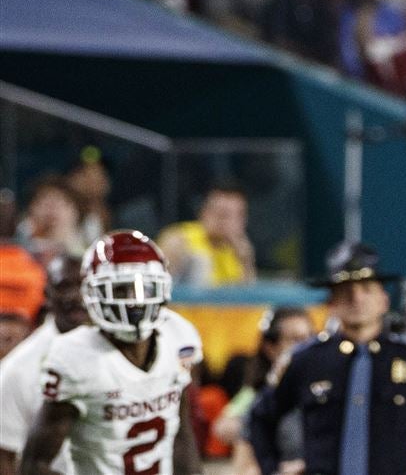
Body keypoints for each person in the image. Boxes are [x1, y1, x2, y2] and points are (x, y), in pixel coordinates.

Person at [248, 242, 406, 475]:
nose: (356, 298)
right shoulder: (306, 360)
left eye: (366, 288)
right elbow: (260, 417)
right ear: (331, 303)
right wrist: (272, 469)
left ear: (383, 300)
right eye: (346, 290)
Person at [20, 231, 203, 475]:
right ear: (94, 294)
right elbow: (34, 465)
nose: (134, 301)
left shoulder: (179, 337)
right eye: (120, 290)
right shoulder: (75, 357)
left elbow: (181, 433)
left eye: (144, 288)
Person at [0, 256, 87, 475]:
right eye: (64, 286)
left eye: (84, 285)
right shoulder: (18, 369)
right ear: (47, 296)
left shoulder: (126, 346)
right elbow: (5, 459)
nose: (76, 296)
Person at [212, 307, 313, 475]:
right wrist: (251, 423)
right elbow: (224, 428)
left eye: (310, 338)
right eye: (296, 340)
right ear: (271, 347)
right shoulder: (261, 393)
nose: (306, 347)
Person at [157, 185, 256, 287]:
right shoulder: (179, 240)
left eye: (232, 216)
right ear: (204, 213)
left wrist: (246, 262)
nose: (225, 222)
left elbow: (248, 293)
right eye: (221, 214)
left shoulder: (241, 250)